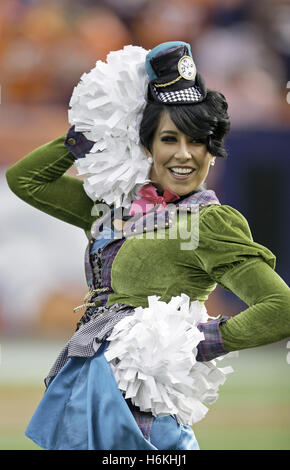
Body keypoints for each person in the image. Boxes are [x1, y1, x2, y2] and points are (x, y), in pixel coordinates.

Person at [6, 41, 290, 450]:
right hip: (90, 388)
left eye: (198, 142)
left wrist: (193, 343)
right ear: (146, 147)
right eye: (169, 139)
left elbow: (280, 309)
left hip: (143, 411)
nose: (185, 154)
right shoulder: (113, 207)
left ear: (213, 152)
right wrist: (92, 131)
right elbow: (26, 180)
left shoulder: (210, 222)